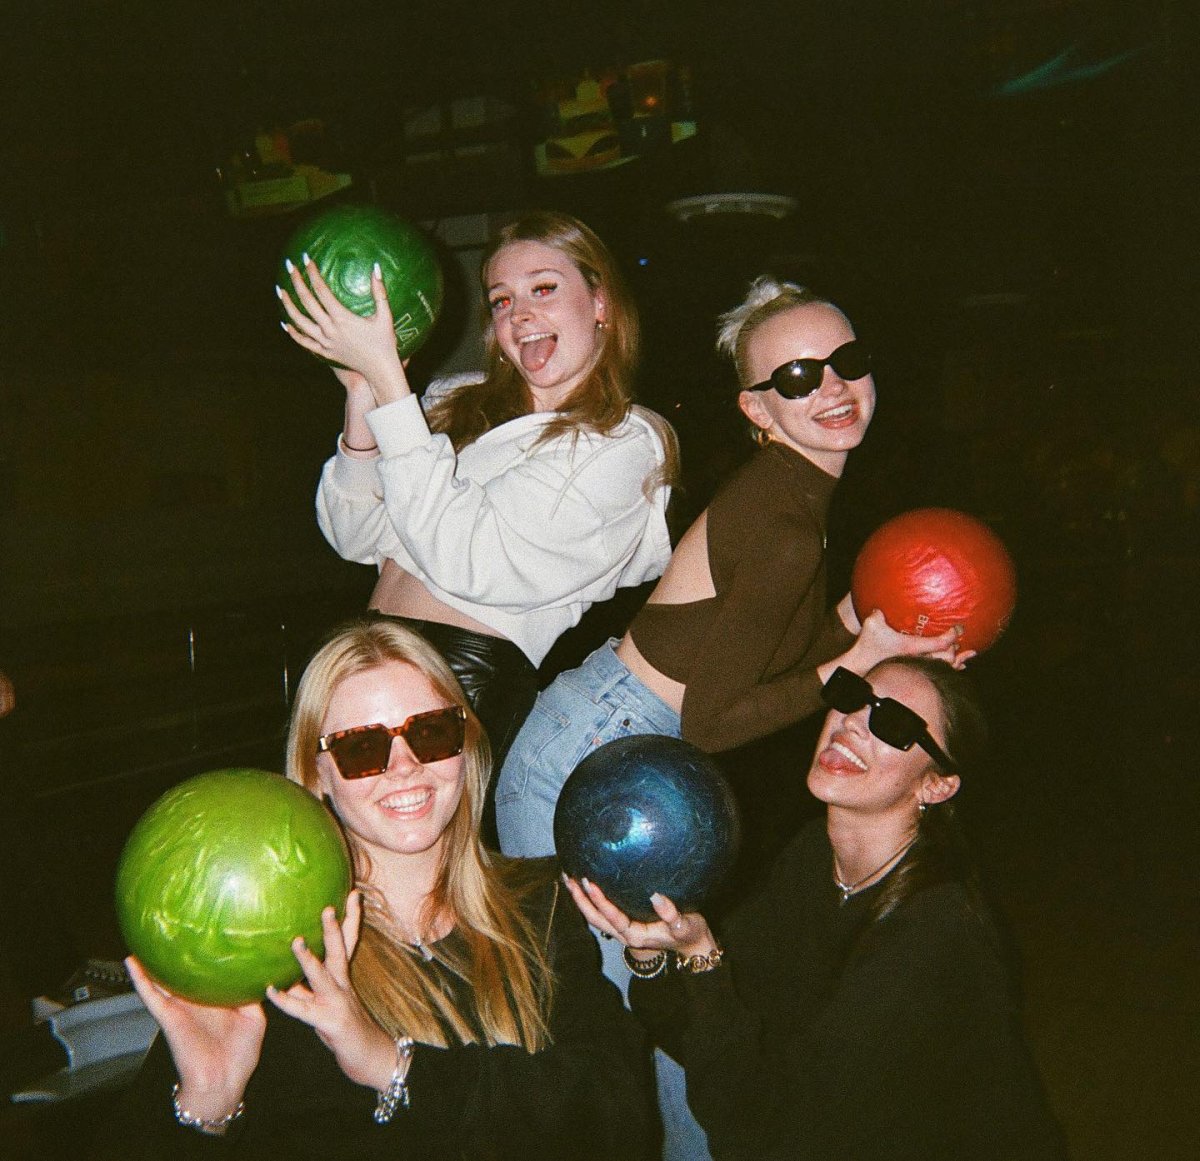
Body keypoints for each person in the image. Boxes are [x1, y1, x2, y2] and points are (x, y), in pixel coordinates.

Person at [495, 276, 966, 1160]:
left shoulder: (792, 495)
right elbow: (716, 719)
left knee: (663, 1012)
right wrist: (857, 657)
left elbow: (777, 657)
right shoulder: (785, 520)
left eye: (846, 361)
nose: (832, 387)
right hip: (594, 757)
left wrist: (871, 632)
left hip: (614, 739)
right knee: (612, 1029)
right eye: (798, 377)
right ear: (758, 407)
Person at [102, 619, 656, 1159]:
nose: (404, 767)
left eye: (431, 732)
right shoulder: (279, 954)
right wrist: (207, 1104)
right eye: (362, 748)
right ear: (317, 776)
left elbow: (620, 1121)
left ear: (464, 744)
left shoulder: (539, 903)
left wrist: (393, 1066)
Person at [568, 657, 1066, 1161]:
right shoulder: (812, 858)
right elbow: (704, 1037)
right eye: (853, 697)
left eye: (894, 723)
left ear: (936, 785)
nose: (852, 723)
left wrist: (701, 958)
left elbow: (764, 1135)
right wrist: (652, 949)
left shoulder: (933, 935)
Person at [280, 211, 675, 789]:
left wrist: (389, 380)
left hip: (461, 676)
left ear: (600, 303)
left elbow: (469, 560)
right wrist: (363, 393)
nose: (520, 314)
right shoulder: (456, 401)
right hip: (363, 652)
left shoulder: (624, 442)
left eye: (544, 288)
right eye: (501, 300)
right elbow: (355, 535)